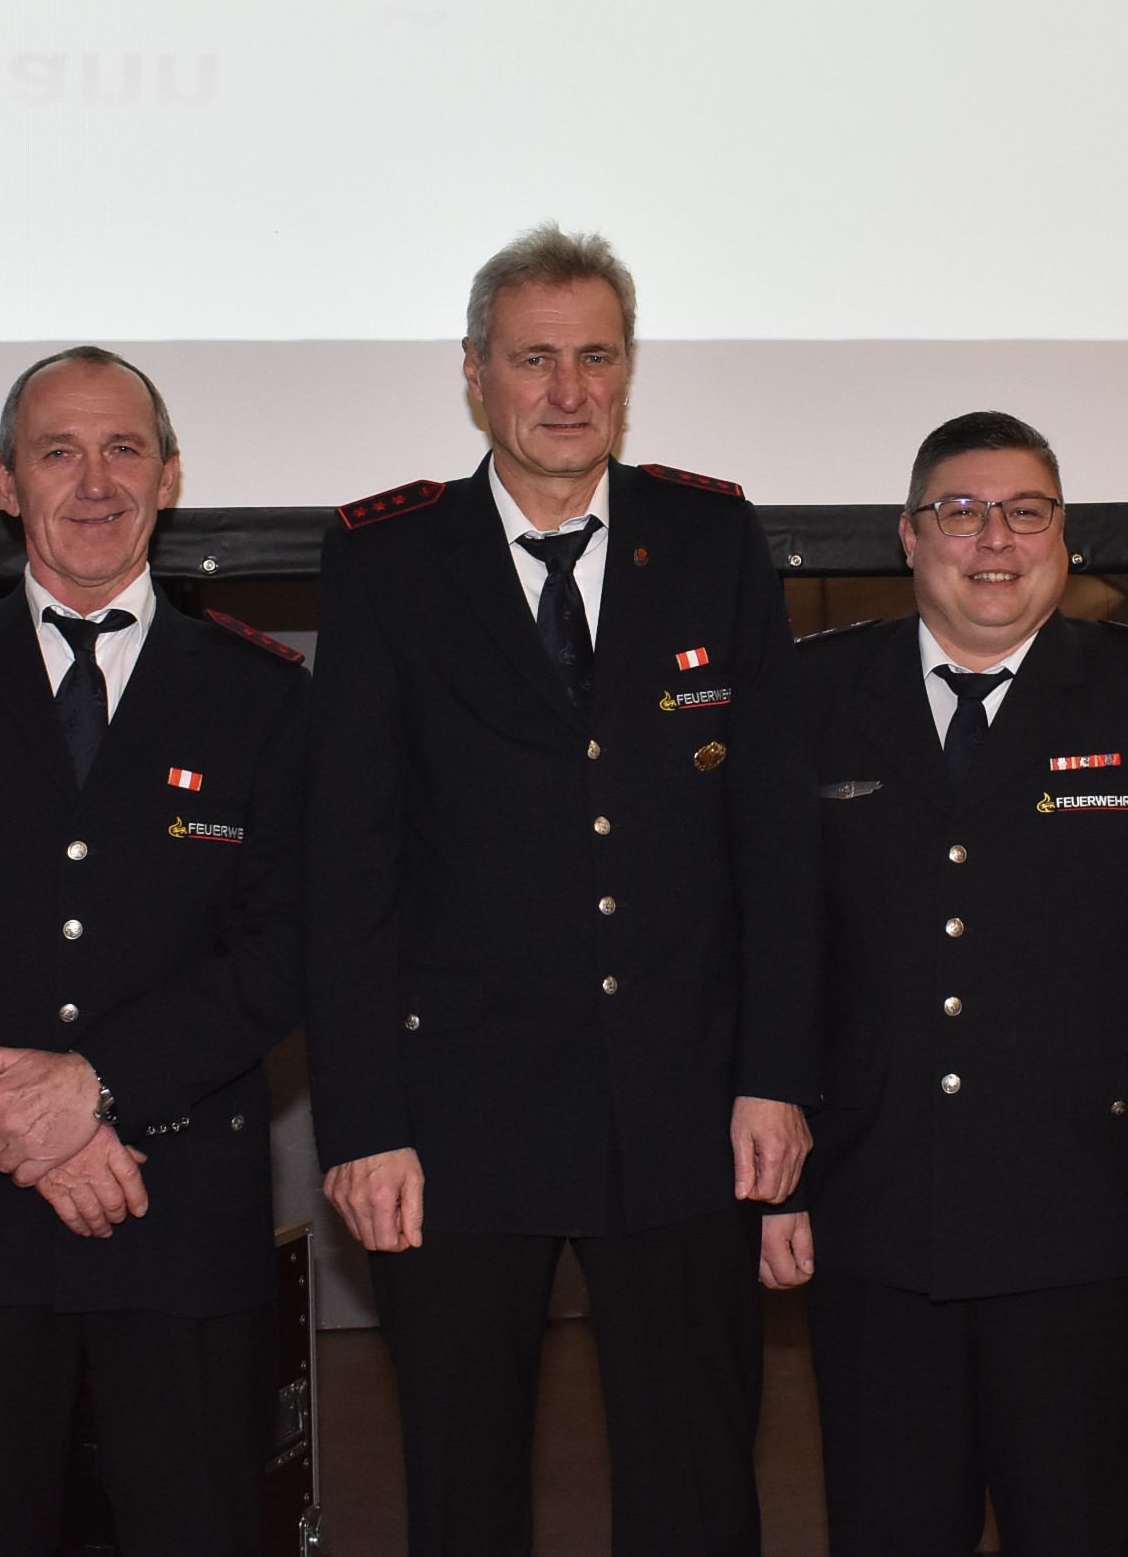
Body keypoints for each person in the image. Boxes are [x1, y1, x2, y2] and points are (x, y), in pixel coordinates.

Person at [304, 224, 822, 1557]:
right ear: (474, 372)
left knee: (698, 1488)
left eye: (596, 357)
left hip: (684, 1107)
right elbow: (348, 868)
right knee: (462, 1489)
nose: (567, 390)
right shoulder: (387, 559)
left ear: (628, 369)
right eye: (534, 359)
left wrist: (776, 1076)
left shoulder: (709, 539)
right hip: (456, 1119)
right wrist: (363, 1123)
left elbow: (774, 845)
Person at [0, 345, 308, 1557]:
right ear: (4, 481)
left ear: (169, 476)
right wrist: (10, 1121)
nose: (94, 481)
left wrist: (98, 1084)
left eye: (125, 449)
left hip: (175, 1220)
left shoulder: (263, 692)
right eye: (58, 451)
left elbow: (288, 942)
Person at [761, 409, 1128, 1557]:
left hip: (1082, 1233)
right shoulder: (818, 693)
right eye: (961, 511)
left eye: (1026, 511)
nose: (996, 538)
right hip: (873, 1226)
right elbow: (778, 953)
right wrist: (777, 1185)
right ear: (907, 535)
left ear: (1063, 538)